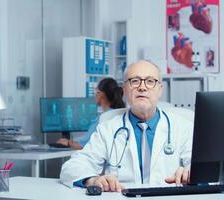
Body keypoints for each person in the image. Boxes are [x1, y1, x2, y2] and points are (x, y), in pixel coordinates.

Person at [60, 60, 193, 192]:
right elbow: (72, 167)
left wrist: (191, 171)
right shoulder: (108, 128)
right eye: (135, 81)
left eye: (150, 81)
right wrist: (93, 180)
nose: (142, 87)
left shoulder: (182, 127)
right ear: (124, 90)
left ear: (160, 90)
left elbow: (203, 168)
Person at [56, 78, 125, 150]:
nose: (95, 95)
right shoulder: (119, 114)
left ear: (101, 94)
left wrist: (68, 143)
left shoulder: (103, 118)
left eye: (96, 91)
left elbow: (85, 144)